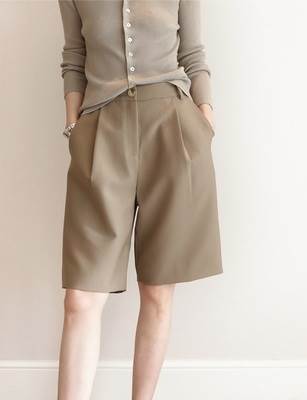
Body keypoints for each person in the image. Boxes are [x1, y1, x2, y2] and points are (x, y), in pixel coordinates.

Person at [56, 1, 223, 399]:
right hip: (101, 131)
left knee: (157, 290)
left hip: (172, 131)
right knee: (81, 298)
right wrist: (74, 127)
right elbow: (74, 56)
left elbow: (193, 52)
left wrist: (205, 120)